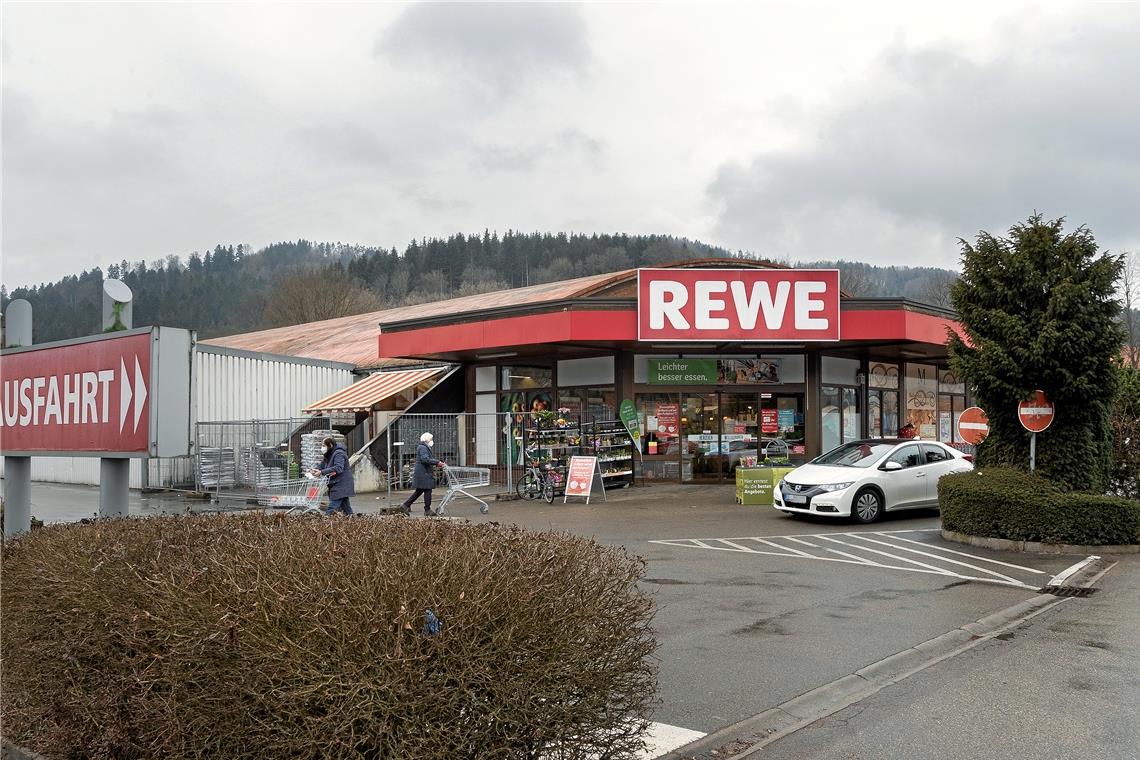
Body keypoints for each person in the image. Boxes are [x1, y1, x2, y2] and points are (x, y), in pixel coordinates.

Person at [401, 432, 446, 516]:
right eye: (431, 439)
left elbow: (426, 459)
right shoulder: (423, 448)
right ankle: (427, 510)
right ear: (427, 440)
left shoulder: (423, 447)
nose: (432, 441)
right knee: (427, 490)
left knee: (419, 491)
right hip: (424, 473)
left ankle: (405, 505)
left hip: (423, 473)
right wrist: (437, 462)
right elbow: (425, 459)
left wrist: (436, 463)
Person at [312, 436, 355, 516]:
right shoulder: (329, 454)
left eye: (324, 445)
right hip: (336, 484)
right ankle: (354, 521)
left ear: (330, 445)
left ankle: (325, 523)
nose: (322, 448)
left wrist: (321, 472)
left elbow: (338, 468)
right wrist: (315, 469)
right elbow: (322, 465)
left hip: (341, 484)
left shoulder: (339, 454)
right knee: (346, 508)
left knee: (332, 508)